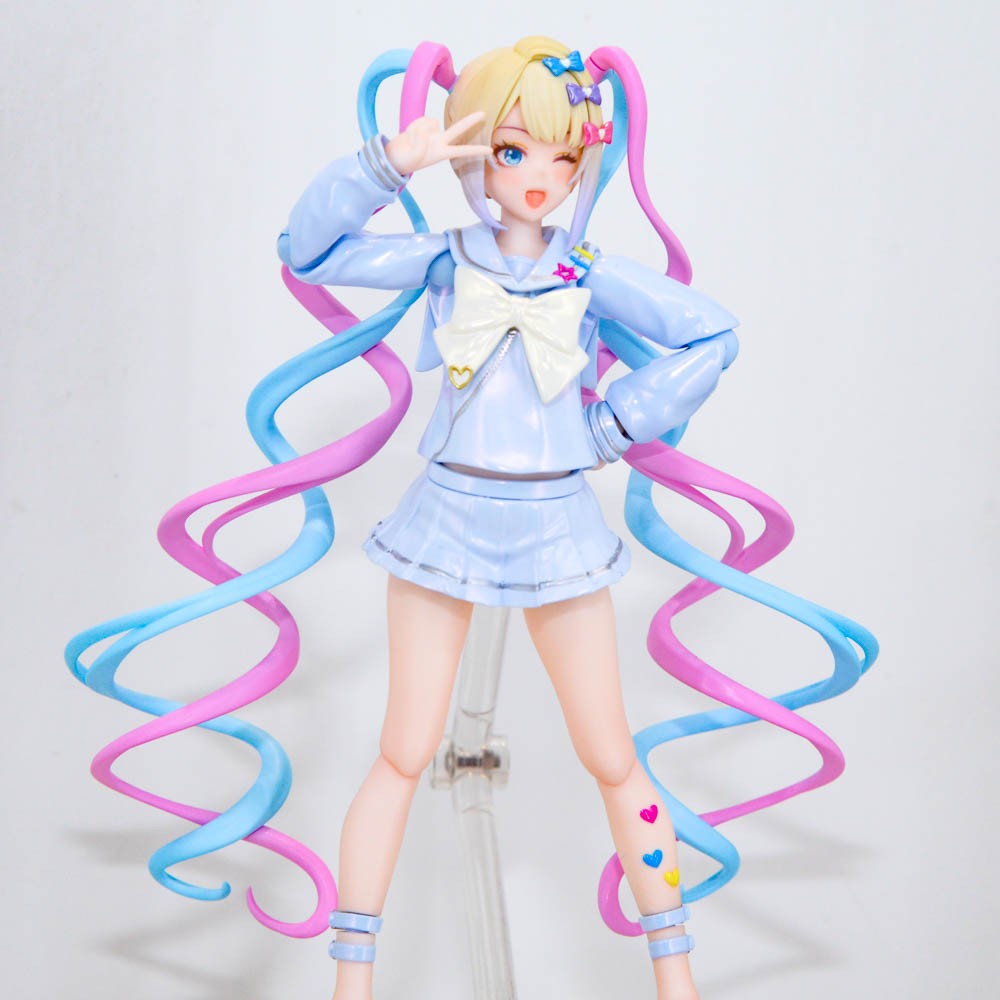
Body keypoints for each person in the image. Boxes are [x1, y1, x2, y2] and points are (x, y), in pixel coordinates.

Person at [278, 36, 740, 1000]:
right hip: (445, 517)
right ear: (477, 149)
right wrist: (386, 165)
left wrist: (615, 424)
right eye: (515, 149)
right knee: (403, 752)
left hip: (557, 524)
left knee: (611, 755)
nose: (540, 175)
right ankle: (352, 980)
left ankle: (676, 973)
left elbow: (711, 332)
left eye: (564, 155)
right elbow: (307, 252)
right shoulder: (444, 259)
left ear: (587, 163)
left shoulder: (587, 270)